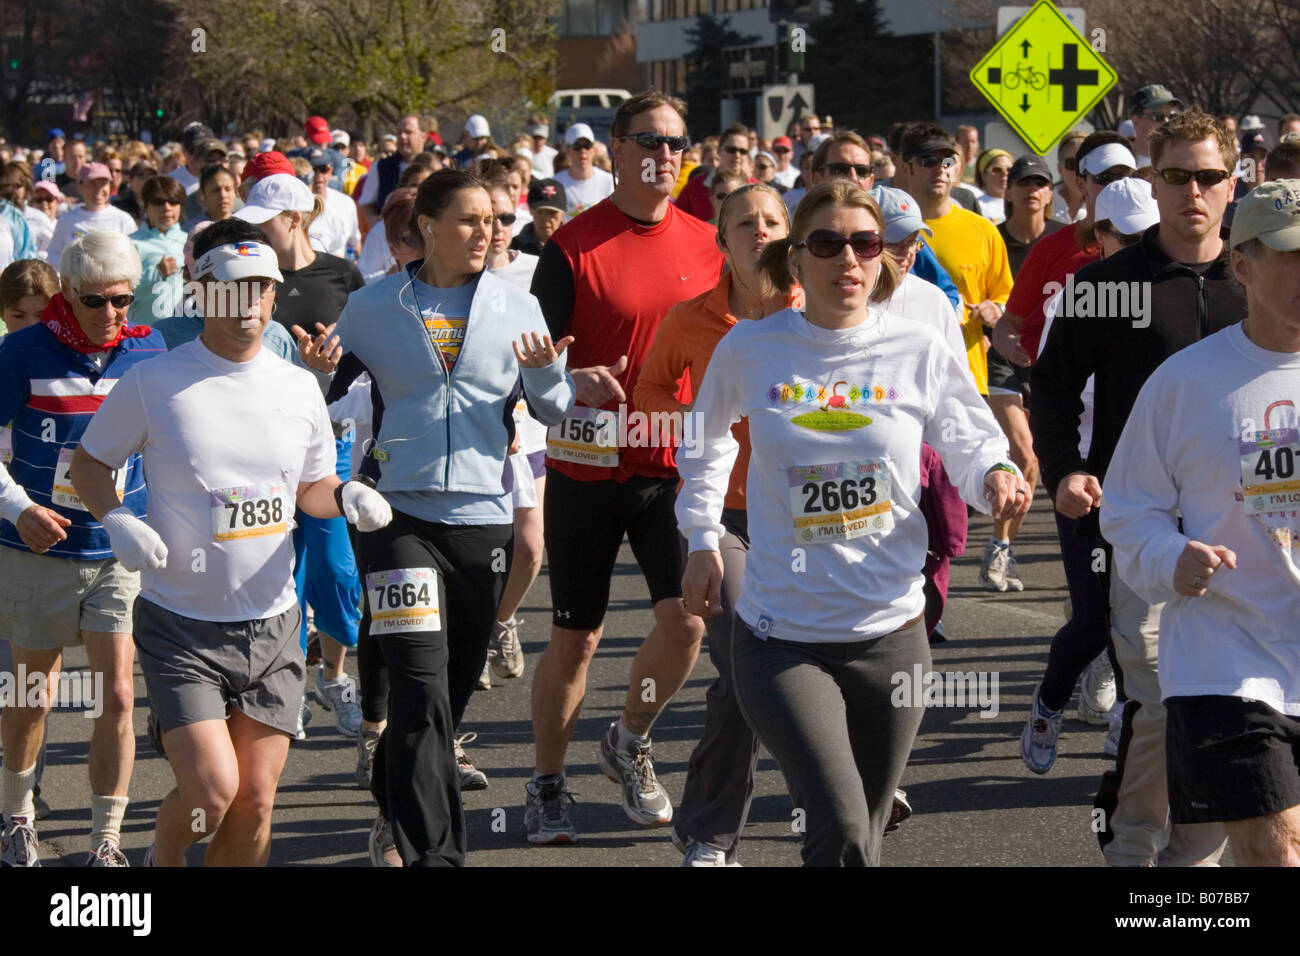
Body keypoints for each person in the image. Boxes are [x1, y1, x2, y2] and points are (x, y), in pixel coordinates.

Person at [676, 179, 1030, 866]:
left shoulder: (917, 348)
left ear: (883, 258)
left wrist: (995, 478)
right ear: (797, 258)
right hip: (783, 637)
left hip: (893, 638)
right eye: (828, 243)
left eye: (864, 244)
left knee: (864, 832)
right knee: (837, 827)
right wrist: (701, 537)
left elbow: (967, 437)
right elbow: (706, 441)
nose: (848, 260)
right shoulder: (753, 347)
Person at [69, 221, 392, 867]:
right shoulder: (155, 381)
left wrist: (346, 495)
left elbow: (311, 487)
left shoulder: (298, 385)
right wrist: (118, 520)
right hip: (182, 625)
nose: (249, 302)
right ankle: (163, 857)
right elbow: (88, 466)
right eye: (233, 288)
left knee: (256, 805)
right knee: (212, 794)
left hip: (275, 626)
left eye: (262, 289)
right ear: (201, 293)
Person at [295, 168, 575, 866]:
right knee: (418, 688)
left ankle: (395, 800)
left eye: (495, 221)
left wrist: (543, 376)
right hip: (397, 520)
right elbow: (320, 394)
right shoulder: (373, 304)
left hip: (483, 517)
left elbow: (557, 408)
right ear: (427, 225)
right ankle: (436, 854)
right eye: (471, 220)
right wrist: (312, 368)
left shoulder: (518, 306)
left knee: (448, 692)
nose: (489, 232)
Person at [1030, 109, 1245, 867]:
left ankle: (1195, 860)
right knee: (1157, 700)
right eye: (1177, 176)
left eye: (1209, 177)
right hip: (1141, 527)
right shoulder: (1106, 286)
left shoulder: (1262, 281)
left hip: (1250, 534)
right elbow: (1050, 387)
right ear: (1153, 181)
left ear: (1233, 182)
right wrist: (1064, 471)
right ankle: (1131, 850)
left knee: (1239, 701)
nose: (1194, 191)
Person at [524, 90, 723, 845]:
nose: (664, 153)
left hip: (669, 469)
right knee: (577, 637)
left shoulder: (709, 243)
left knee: (687, 623)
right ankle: (547, 785)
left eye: (675, 142)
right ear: (616, 148)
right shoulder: (572, 246)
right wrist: (565, 379)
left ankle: (629, 738)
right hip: (583, 470)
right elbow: (528, 366)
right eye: (648, 140)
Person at [1100, 179, 1300, 866]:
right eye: (1289, 254)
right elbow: (1128, 513)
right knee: (1278, 850)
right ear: (1242, 265)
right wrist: (1171, 557)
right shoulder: (1186, 383)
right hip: (1225, 660)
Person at [636, 182, 801, 865]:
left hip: (808, 516)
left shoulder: (815, 312)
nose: (758, 231)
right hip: (722, 515)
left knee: (819, 660)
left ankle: (842, 786)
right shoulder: (690, 319)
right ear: (723, 239)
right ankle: (708, 833)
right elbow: (647, 394)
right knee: (743, 668)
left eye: (771, 220)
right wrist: (703, 423)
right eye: (744, 222)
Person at [0, 232, 166, 867]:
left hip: (113, 549)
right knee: (29, 695)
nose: (110, 315)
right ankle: (18, 816)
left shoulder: (149, 351)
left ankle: (106, 839)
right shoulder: (20, 351)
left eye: (122, 300)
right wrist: (18, 508)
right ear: (66, 295)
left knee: (118, 696)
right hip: (36, 549)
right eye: (94, 302)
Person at [1019, 176, 1160, 775]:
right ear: (1097, 234)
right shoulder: (1078, 299)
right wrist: (1066, 469)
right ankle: (1049, 701)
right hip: (1091, 482)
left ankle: (1128, 722)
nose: (1133, 244)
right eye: (1121, 234)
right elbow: (1051, 391)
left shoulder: (1178, 289)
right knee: (1096, 619)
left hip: (1162, 482)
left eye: (1144, 234)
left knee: (1157, 616)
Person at [235, 172, 366, 738]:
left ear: (295, 220)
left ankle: (333, 678)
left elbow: (368, 351)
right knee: (278, 570)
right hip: (262, 448)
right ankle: (282, 681)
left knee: (338, 570)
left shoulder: (342, 274)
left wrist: (339, 360)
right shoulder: (250, 276)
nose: (255, 232)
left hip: (329, 442)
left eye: (265, 223)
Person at [898, 123, 1012, 400]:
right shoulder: (887, 228)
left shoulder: (983, 229)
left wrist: (995, 310)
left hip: (965, 377)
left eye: (947, 160)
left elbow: (1007, 294)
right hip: (900, 377)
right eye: (928, 161)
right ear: (908, 167)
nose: (940, 168)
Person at [46, 164, 139, 267]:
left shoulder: (123, 220)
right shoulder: (66, 220)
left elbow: (135, 258)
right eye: (93, 184)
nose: (99, 189)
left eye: (103, 184)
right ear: (80, 186)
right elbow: (53, 256)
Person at [129, 175, 187, 324]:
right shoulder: (130, 243)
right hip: (146, 334)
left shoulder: (191, 241)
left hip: (185, 335)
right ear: (146, 205)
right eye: (158, 202)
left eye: (173, 201)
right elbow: (120, 296)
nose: (167, 208)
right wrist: (156, 274)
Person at [358, 115, 428, 227]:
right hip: (390, 237)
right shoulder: (380, 166)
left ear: (423, 136)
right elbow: (366, 203)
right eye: (399, 132)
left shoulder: (436, 167)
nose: (403, 137)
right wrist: (376, 224)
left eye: (408, 132)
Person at [554, 124, 614, 217]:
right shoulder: (556, 182)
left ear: (594, 150)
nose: (583, 151)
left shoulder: (609, 182)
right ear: (567, 150)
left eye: (587, 146)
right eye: (577, 146)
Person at [1128, 85, 1181, 166]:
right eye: (1157, 116)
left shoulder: (1183, 157)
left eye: (1172, 116)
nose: (1166, 121)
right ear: (1136, 121)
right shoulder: (1122, 160)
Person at [511, 178, 566, 256]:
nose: (546, 219)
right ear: (530, 210)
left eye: (552, 213)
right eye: (540, 212)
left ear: (563, 213)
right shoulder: (514, 247)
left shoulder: (574, 246)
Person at [181, 163, 238, 233]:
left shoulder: (246, 225)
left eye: (228, 189)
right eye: (215, 191)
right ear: (203, 194)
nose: (223, 195)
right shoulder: (191, 230)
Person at [972, 148, 1013, 223]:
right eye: (997, 170)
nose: (1005, 174)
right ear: (983, 175)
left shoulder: (1021, 203)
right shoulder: (976, 206)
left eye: (1009, 170)